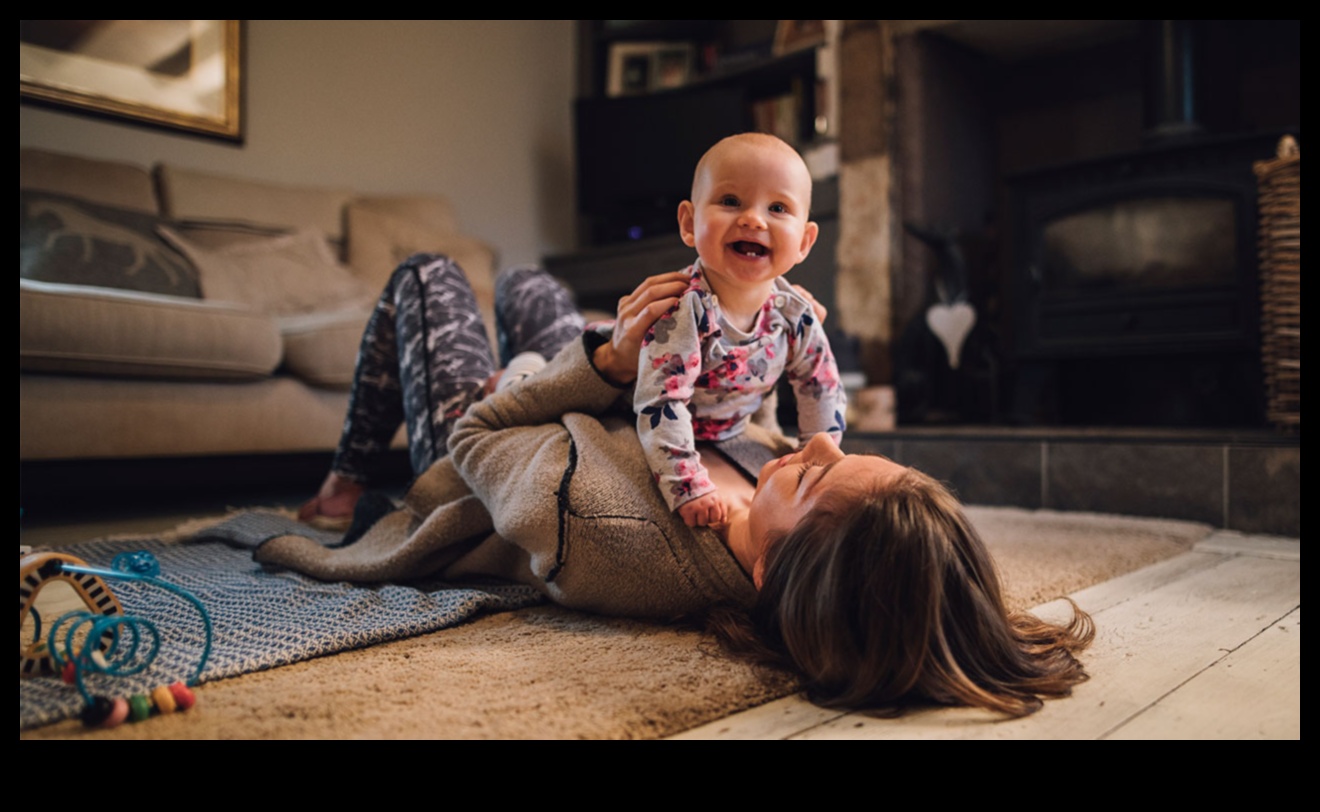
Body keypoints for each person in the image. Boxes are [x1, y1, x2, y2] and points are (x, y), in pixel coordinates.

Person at [286, 220, 1091, 722]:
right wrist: (757, 335)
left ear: (773, 570)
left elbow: (479, 432)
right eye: (843, 450)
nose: (818, 448)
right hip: (596, 405)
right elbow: (747, 427)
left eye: (815, 476)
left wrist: (601, 361)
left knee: (428, 273)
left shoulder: (602, 526)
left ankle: (349, 483)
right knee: (531, 284)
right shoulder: (789, 504)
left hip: (489, 447)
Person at [635, 133, 846, 528]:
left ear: (803, 242)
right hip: (649, 419)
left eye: (778, 207)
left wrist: (816, 465)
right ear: (688, 222)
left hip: (732, 429)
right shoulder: (685, 309)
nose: (753, 218)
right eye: (730, 201)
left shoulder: (795, 315)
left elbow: (822, 387)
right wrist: (687, 484)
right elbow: (660, 401)